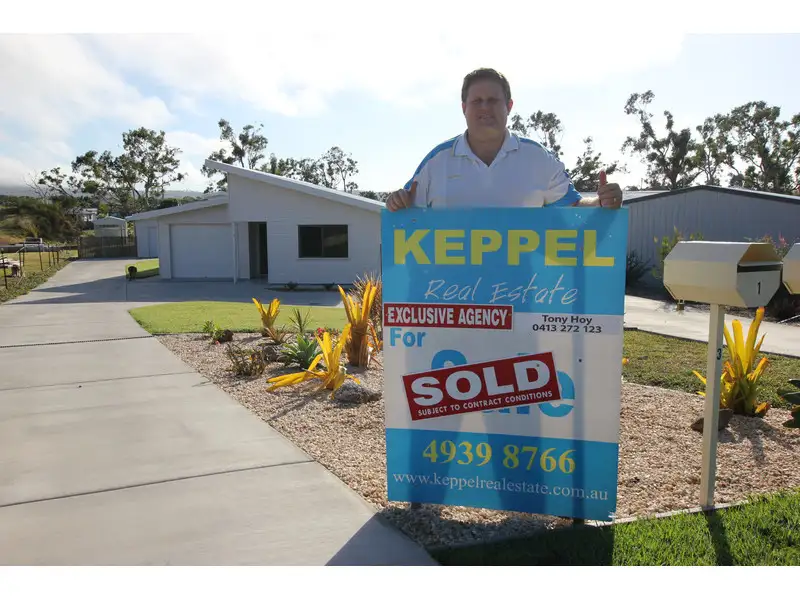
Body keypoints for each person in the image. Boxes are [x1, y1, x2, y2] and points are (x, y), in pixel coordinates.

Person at [385, 67, 623, 212]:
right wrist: (396, 202)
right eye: (477, 101)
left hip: (522, 291)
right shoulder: (436, 162)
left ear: (509, 106)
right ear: (464, 108)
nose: (485, 107)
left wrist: (601, 202)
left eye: (493, 100)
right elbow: (405, 209)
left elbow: (573, 207)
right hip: (451, 292)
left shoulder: (538, 158)